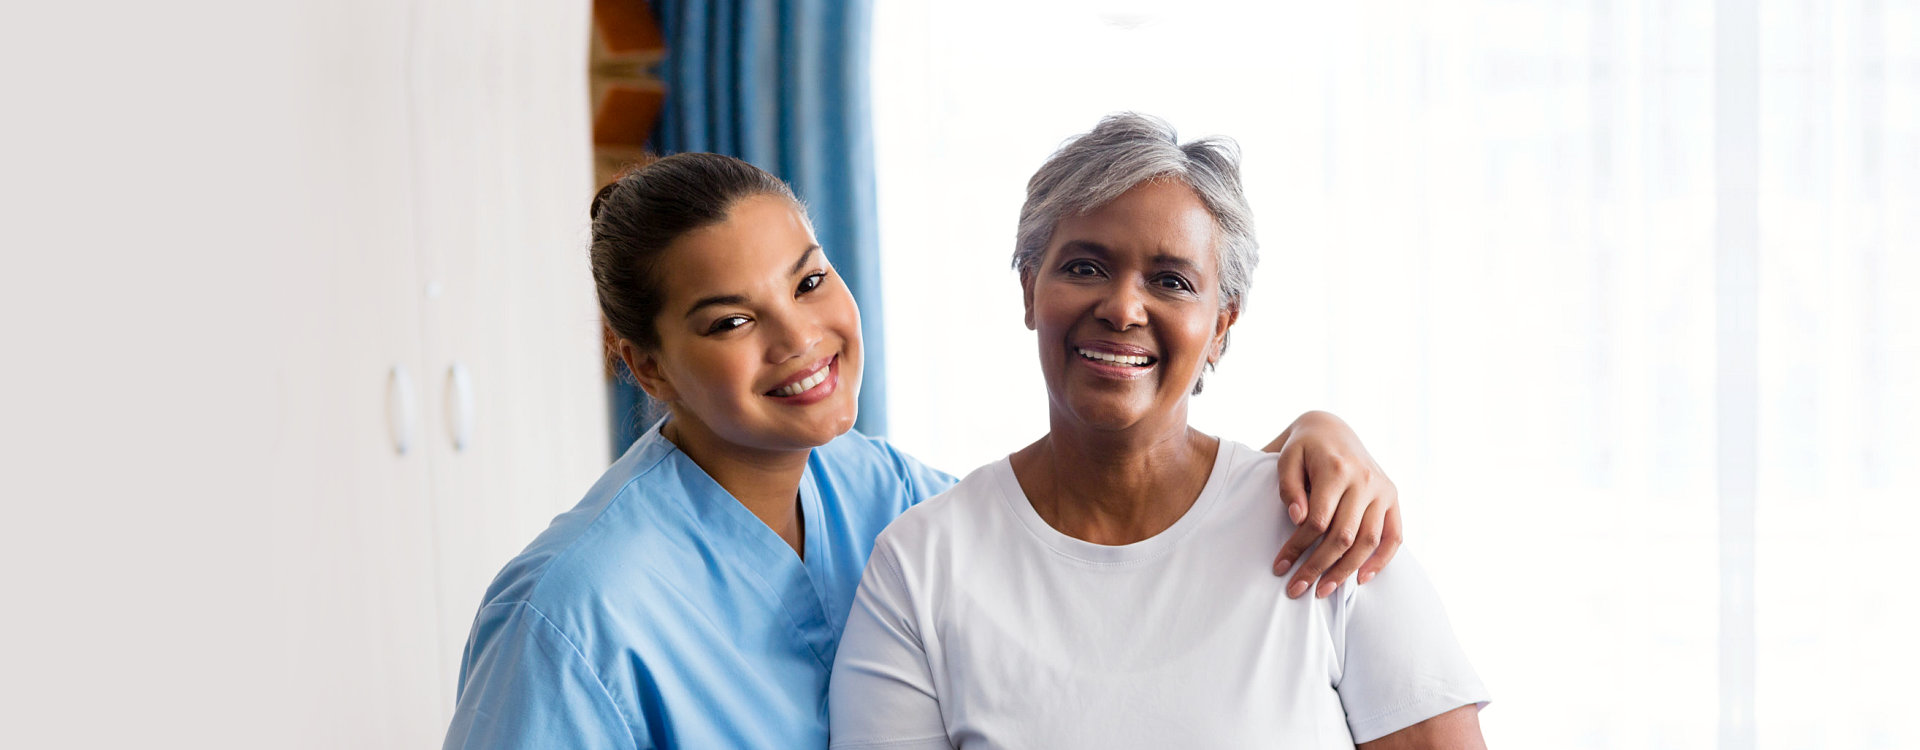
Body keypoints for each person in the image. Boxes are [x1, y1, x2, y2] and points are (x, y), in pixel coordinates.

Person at [442, 152, 1411, 749]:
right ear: (644, 364)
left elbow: (1101, 526)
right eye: (731, 320)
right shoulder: (570, 615)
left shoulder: (882, 492)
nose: (800, 341)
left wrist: (1306, 443)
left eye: (810, 281)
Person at [828, 114, 1490, 749]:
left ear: (1220, 328)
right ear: (1030, 288)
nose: (1121, 308)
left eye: (1171, 281)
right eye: (1084, 267)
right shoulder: (921, 565)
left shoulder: (1332, 528)